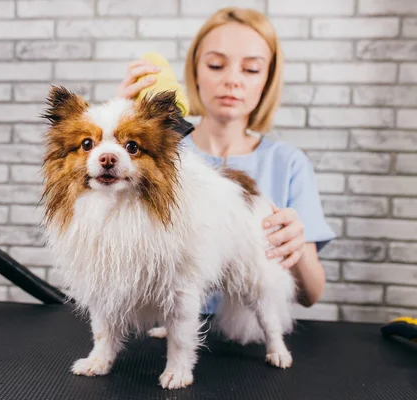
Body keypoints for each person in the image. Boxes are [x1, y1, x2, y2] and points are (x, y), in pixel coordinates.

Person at [115, 7, 336, 314]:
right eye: (217, 65)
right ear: (195, 72)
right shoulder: (157, 159)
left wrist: (295, 248)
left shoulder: (288, 164)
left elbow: (310, 295)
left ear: (268, 80)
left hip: (248, 341)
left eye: (251, 69)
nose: (232, 80)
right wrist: (121, 132)